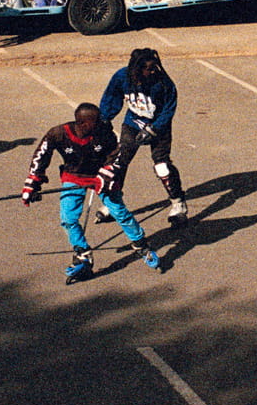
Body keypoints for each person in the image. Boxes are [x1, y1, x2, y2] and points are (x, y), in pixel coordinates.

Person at [22, 102, 161, 280]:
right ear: (83, 123)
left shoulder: (105, 134)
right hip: (73, 176)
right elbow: (40, 156)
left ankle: (142, 246)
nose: (102, 123)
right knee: (68, 219)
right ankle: (83, 254)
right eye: (96, 121)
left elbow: (118, 155)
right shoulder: (57, 133)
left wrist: (107, 173)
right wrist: (33, 183)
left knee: (120, 212)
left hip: (101, 176)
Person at [99, 47, 188, 227]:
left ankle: (178, 204)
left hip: (158, 126)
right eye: (147, 68)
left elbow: (169, 109)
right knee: (118, 160)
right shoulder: (121, 77)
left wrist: (154, 129)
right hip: (133, 122)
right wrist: (103, 120)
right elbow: (111, 97)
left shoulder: (163, 83)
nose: (151, 71)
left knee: (161, 165)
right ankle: (113, 203)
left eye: (154, 67)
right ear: (136, 68)